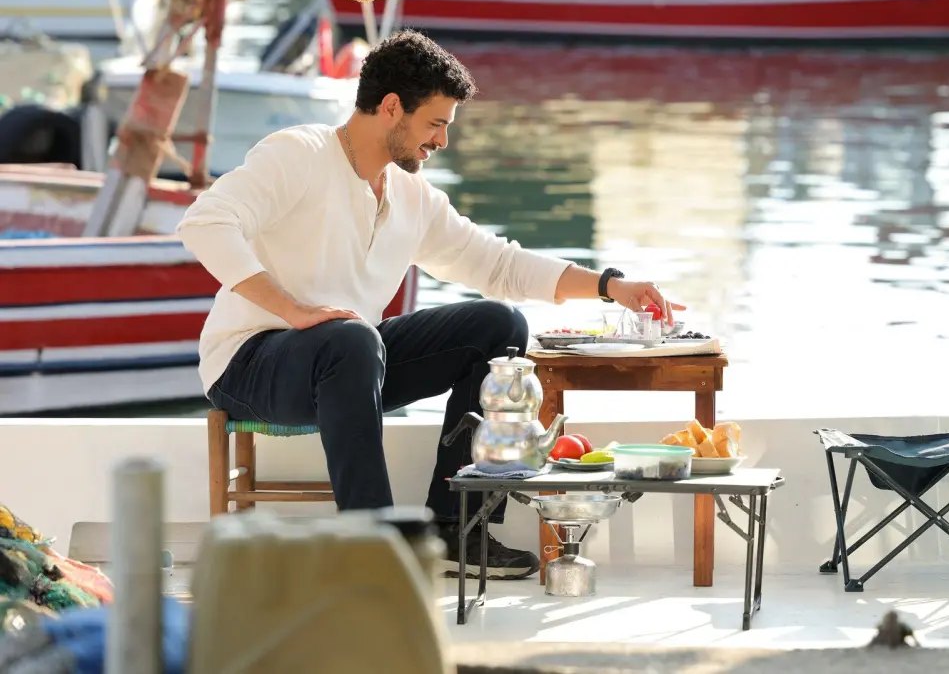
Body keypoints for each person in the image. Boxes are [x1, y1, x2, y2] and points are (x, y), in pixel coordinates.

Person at [176, 29, 682, 580]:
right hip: (251, 363)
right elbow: (206, 222)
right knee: (354, 340)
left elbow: (498, 264)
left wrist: (610, 286)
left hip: (350, 359)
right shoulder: (300, 153)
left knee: (499, 326)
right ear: (392, 107)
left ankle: (457, 528)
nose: (441, 141)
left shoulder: (409, 195)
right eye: (435, 123)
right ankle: (373, 549)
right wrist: (292, 309)